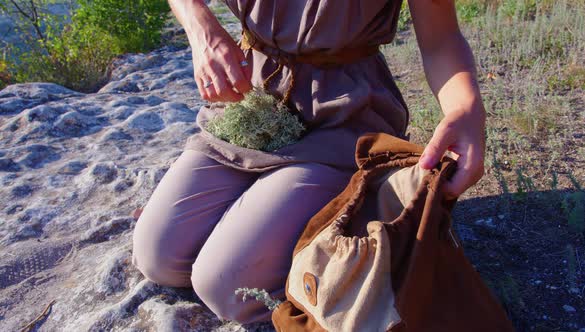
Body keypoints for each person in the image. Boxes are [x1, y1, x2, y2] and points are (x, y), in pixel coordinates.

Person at [132, 0, 486, 325]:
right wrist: (201, 28)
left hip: (341, 113)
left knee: (225, 288)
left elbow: (440, 39)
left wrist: (465, 110)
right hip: (251, 100)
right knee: (158, 259)